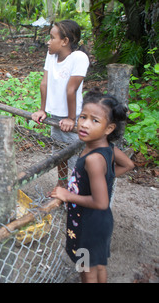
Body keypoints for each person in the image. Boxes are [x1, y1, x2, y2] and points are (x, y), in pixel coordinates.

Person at [49, 90, 135, 283]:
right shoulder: (108, 149)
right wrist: (105, 181)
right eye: (83, 117)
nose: (85, 124)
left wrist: (68, 195)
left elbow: (101, 202)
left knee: (86, 271)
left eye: (95, 120)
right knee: (98, 264)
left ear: (108, 128)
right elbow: (128, 165)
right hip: (99, 223)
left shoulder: (94, 159)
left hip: (88, 225)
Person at [31, 20, 90, 187]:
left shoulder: (79, 58)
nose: (48, 41)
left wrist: (72, 118)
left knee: (77, 156)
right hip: (56, 116)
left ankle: (78, 189)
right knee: (58, 153)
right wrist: (43, 110)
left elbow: (71, 90)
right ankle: (61, 184)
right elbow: (44, 83)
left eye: (52, 37)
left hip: (74, 115)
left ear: (64, 41)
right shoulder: (51, 56)